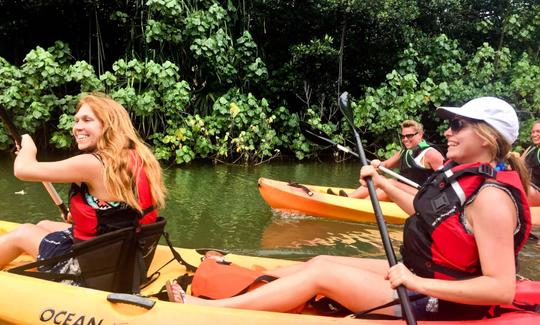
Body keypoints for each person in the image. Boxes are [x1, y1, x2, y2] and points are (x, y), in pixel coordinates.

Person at [168, 97, 531, 321]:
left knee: (322, 273)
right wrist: (383, 183)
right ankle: (239, 287)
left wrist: (415, 281)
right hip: (421, 276)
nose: (448, 132)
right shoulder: (462, 179)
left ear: (486, 137)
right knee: (318, 261)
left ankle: (205, 312)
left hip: (436, 299)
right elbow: (429, 216)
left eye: (457, 125)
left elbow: (499, 290)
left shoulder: (491, 199)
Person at [0, 92, 166, 279]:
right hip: (122, 253)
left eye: (87, 120)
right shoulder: (136, 157)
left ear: (109, 126)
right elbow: (121, 213)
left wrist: (28, 148)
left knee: (23, 233)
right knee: (43, 224)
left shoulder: (93, 163)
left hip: (96, 267)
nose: (78, 127)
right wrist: (80, 217)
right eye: (77, 120)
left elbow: (23, 169)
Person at [347, 119, 444, 200]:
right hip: (403, 191)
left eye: (409, 135)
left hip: (423, 195)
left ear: (420, 135)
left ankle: (360, 205)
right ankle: (349, 198)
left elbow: (447, 179)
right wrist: (378, 164)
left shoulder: (431, 153)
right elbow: (386, 165)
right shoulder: (404, 151)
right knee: (380, 179)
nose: (405, 139)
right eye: (403, 136)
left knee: (390, 183)